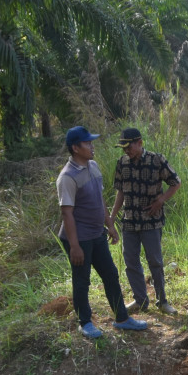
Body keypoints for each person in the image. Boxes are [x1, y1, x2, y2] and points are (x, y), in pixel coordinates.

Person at [57, 126, 148, 338]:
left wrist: (109, 224)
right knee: (82, 280)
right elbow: (67, 214)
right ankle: (85, 322)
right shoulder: (67, 177)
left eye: (91, 142)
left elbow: (99, 200)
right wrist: (75, 246)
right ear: (75, 148)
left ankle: (122, 318)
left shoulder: (93, 166)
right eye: (87, 143)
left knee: (110, 273)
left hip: (97, 233)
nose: (92, 146)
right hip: (79, 237)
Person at [108, 127, 180, 316]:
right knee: (130, 261)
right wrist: (112, 217)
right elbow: (121, 192)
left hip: (151, 221)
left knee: (155, 261)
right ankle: (140, 300)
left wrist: (161, 201)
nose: (126, 151)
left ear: (139, 143)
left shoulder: (157, 160)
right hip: (129, 221)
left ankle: (162, 301)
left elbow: (175, 182)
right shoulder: (122, 163)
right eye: (123, 148)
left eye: (129, 147)